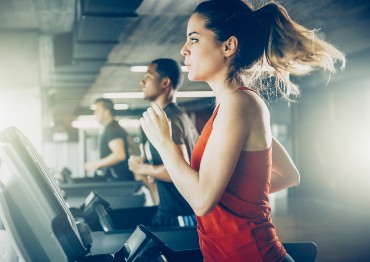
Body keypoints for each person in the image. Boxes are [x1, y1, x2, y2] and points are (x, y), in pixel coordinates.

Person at [139, 0, 345, 261]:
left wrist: (164, 143)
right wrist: (235, 196)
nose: (183, 50)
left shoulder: (239, 103)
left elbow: (202, 201)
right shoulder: (231, 106)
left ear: (228, 46)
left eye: (193, 39)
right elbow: (290, 174)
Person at [128, 58, 199, 227]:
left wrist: (142, 168)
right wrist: (147, 168)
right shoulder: (163, 117)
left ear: (165, 82)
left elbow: (179, 170)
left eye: (148, 77)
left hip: (180, 214)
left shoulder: (170, 119)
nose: (141, 82)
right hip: (168, 210)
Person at [85, 98, 139, 181]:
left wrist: (95, 164)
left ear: (107, 112)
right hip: (122, 179)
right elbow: (135, 148)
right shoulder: (116, 127)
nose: (94, 113)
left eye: (97, 110)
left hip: (117, 181)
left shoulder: (112, 129)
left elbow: (120, 155)